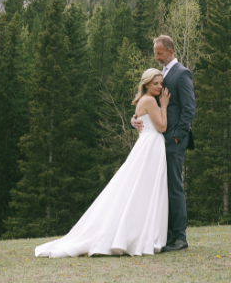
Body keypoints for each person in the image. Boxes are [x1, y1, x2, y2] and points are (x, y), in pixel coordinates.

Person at [34, 69, 170, 257]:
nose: (159, 87)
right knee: (145, 189)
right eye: (155, 83)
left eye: (161, 83)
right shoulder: (150, 100)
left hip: (147, 145)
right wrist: (163, 105)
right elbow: (162, 127)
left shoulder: (142, 101)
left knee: (140, 189)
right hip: (151, 146)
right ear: (146, 84)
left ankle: (137, 231)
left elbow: (141, 121)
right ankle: (139, 234)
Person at [132, 35, 195, 252]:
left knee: (174, 187)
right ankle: (165, 236)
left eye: (159, 53)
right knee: (162, 188)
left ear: (169, 51)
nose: (156, 56)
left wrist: (177, 136)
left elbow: (189, 109)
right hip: (158, 140)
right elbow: (149, 102)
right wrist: (136, 120)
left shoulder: (182, 73)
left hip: (174, 141)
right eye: (155, 53)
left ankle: (179, 237)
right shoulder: (162, 75)